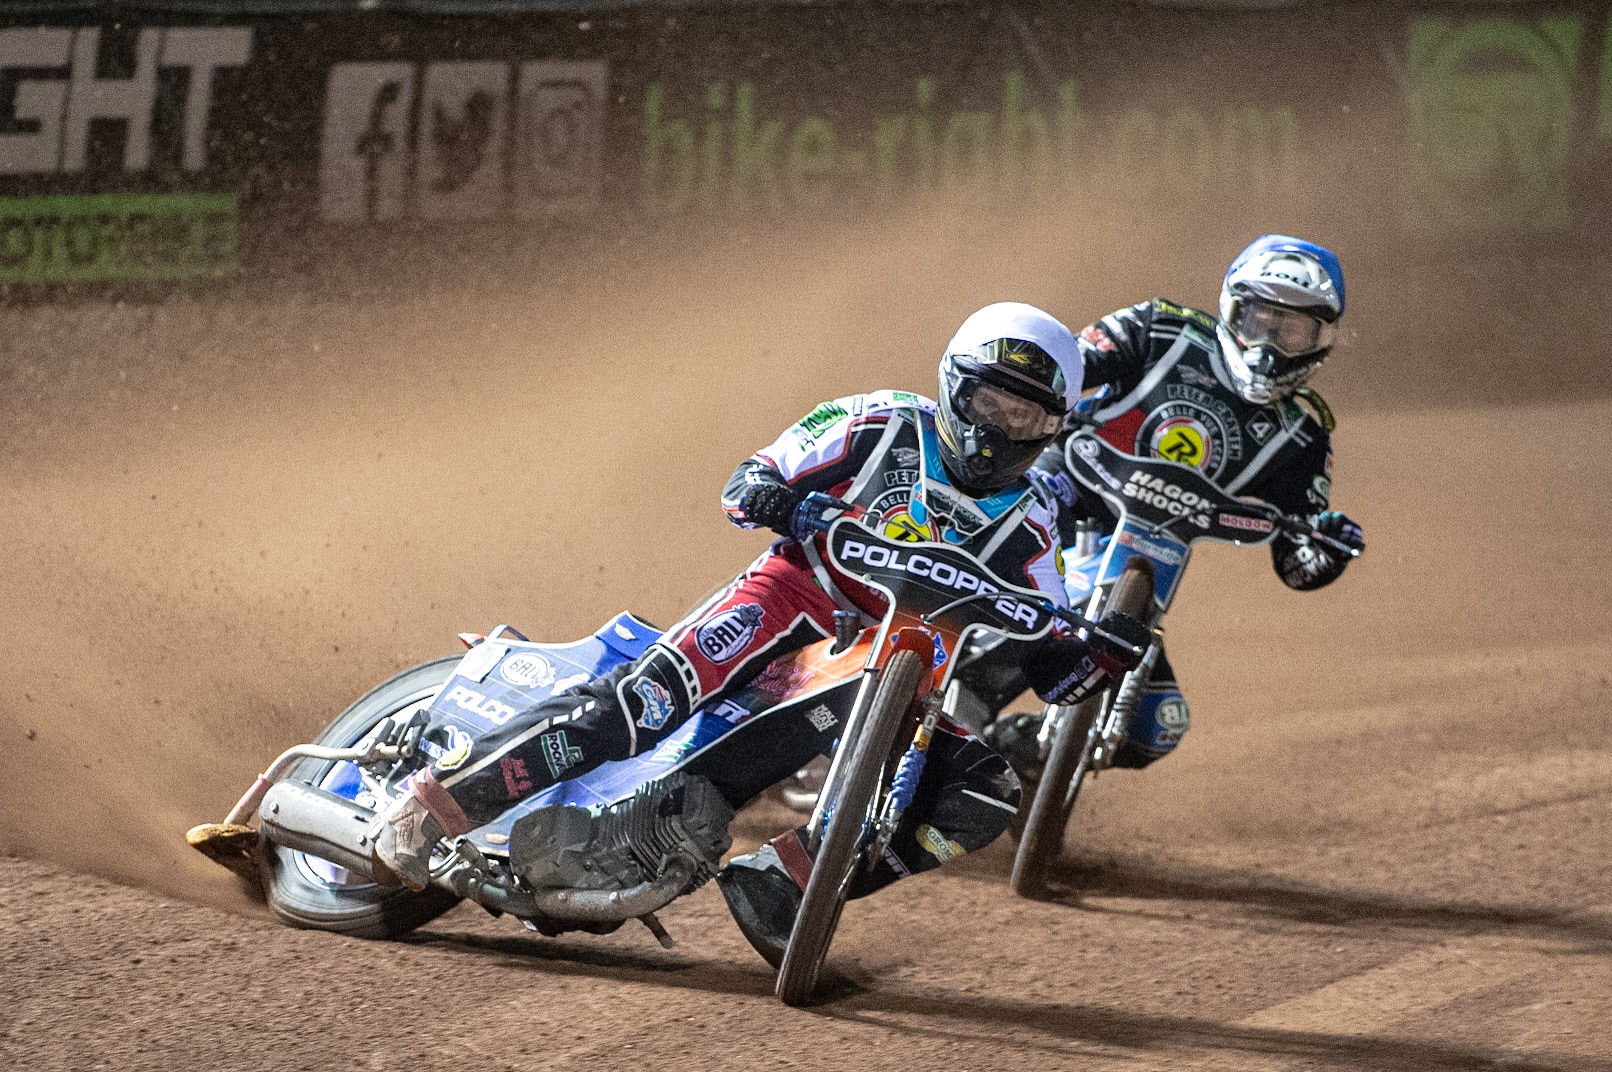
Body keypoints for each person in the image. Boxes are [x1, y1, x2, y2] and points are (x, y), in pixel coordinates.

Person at [368, 302, 1149, 966]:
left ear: (1052, 428)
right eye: (990, 403)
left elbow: (1055, 668)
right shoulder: (876, 420)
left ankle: (786, 887)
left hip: (897, 666)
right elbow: (748, 484)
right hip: (793, 600)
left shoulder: (1038, 517)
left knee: (987, 791)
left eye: (1025, 417)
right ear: (955, 386)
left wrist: (1104, 651)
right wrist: (794, 507)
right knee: (633, 708)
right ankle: (435, 806)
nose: (1000, 428)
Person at [987, 235, 1366, 773]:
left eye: (1294, 331)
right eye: (1260, 321)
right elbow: (1058, 369)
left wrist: (1326, 549)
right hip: (1062, 497)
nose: (1270, 347)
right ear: (1232, 309)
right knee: (998, 620)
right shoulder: (1158, 329)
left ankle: (1017, 760)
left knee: (1159, 728)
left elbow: (1296, 561)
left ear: (1322, 341)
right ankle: (881, 688)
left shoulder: (1304, 434)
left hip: (1143, 572)